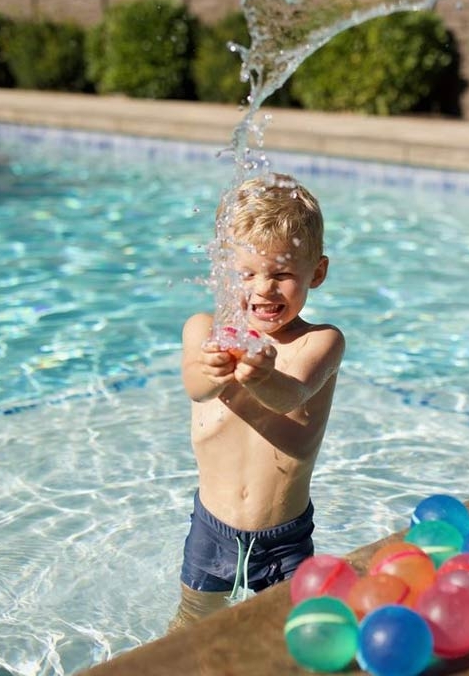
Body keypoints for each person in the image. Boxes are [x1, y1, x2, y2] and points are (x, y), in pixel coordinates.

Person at [171, 172, 345, 629]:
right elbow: (195, 386)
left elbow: (292, 394)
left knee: (288, 637)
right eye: (245, 274)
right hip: (212, 529)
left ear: (317, 273)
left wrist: (262, 377)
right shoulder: (205, 330)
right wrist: (211, 371)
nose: (264, 289)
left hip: (284, 539)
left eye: (283, 274)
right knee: (192, 629)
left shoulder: (320, 342)